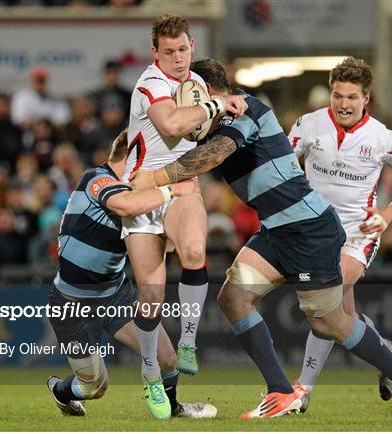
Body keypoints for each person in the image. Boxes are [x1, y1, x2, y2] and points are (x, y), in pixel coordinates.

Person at [131, 58, 392, 419]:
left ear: (205, 91)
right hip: (277, 229)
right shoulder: (215, 122)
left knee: (330, 321)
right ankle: (280, 391)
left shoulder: (248, 109)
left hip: (309, 229)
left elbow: (213, 156)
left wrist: (154, 178)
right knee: (233, 298)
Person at [121, 14, 247, 418]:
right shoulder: (150, 84)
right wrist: (215, 106)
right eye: (169, 51)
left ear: (193, 45)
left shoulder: (195, 83)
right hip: (142, 193)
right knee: (152, 295)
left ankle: (189, 342)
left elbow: (221, 114)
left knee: (195, 250)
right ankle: (150, 374)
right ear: (155, 52)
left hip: (181, 188)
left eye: (183, 49)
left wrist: (233, 105)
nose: (178, 57)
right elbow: (173, 124)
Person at [287, 56, 392, 409]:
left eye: (352, 97)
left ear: (366, 98)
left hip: (357, 234)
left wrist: (387, 215)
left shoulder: (384, 137)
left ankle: (301, 392)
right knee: (340, 320)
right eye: (338, 95)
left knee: (325, 303)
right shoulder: (307, 125)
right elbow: (284, 170)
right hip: (315, 233)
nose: (343, 104)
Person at [46, 129, 216, 420]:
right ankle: (61, 391)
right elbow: (124, 205)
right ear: (133, 155)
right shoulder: (97, 179)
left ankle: (173, 409)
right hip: (70, 303)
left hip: (114, 295)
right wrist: (173, 190)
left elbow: (170, 243)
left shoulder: (140, 192)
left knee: (168, 359)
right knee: (94, 387)